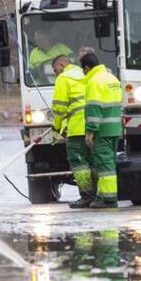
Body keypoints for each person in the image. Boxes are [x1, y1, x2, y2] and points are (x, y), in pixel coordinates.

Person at [51, 55, 95, 208]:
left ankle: (86, 196)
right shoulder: (86, 74)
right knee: (93, 162)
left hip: (77, 128)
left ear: (61, 64)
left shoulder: (63, 78)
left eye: (55, 68)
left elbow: (60, 107)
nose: (55, 73)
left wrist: (56, 126)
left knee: (79, 163)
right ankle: (97, 195)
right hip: (94, 126)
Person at [81, 51, 123, 208]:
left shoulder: (94, 81)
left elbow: (94, 108)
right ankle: (103, 195)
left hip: (102, 130)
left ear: (86, 68)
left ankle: (109, 199)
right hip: (114, 128)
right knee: (109, 163)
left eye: (83, 70)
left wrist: (90, 131)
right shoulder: (112, 78)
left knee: (104, 166)